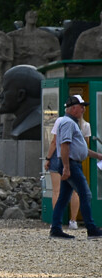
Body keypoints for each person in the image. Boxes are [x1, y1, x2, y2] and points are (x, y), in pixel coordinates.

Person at [48, 95, 102, 239]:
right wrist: (66, 167)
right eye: (81, 106)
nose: (84, 109)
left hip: (71, 163)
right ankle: (91, 229)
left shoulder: (71, 123)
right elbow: (65, 145)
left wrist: (98, 156)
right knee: (85, 194)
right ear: (73, 108)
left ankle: (56, 229)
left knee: (63, 197)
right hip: (71, 164)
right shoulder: (68, 123)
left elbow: (80, 148)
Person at [45, 105, 92, 230]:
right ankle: (73, 220)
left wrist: (48, 158)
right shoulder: (86, 125)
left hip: (59, 157)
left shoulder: (61, 121)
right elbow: (85, 144)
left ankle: (56, 223)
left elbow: (55, 142)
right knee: (75, 191)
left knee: (57, 191)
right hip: (75, 159)